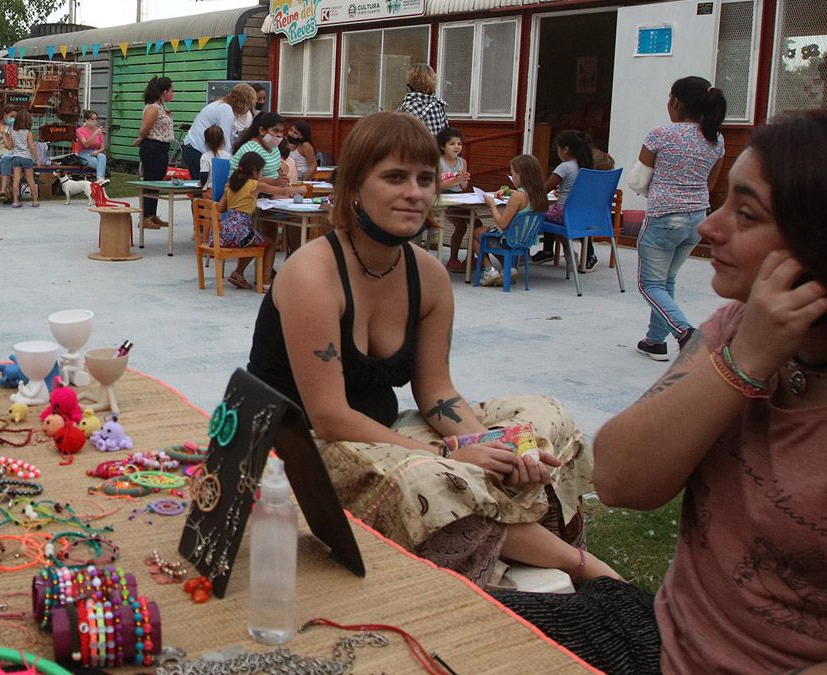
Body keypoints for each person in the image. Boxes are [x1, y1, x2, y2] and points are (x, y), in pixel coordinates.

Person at [495, 110, 827, 675]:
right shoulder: (734, 330)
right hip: (662, 637)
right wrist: (744, 361)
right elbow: (620, 479)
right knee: (433, 628)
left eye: (745, 214)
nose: (708, 227)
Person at [247, 111, 617, 590]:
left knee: (545, 416)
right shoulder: (312, 275)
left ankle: (536, 539)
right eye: (395, 177)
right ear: (355, 186)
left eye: (425, 179)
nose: (415, 192)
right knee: (430, 480)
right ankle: (585, 569)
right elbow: (329, 416)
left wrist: (490, 446)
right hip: (297, 449)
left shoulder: (428, 276)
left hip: (379, 434)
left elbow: (436, 391)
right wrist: (453, 455)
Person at [634, 76, 726, 362]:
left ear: (675, 102)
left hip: (663, 216)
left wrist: (655, 191)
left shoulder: (661, 134)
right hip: (697, 218)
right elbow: (711, 184)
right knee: (667, 279)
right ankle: (654, 341)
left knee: (649, 285)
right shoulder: (716, 138)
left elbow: (638, 180)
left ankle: (685, 332)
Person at [218, 151, 301, 291]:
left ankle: (238, 273)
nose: (262, 174)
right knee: (268, 243)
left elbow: (220, 208)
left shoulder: (231, 185)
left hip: (224, 233)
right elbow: (282, 192)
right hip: (240, 233)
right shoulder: (255, 185)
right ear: (255, 171)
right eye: (262, 171)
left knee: (256, 240)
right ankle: (265, 282)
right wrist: (302, 189)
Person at [474, 154, 549, 287]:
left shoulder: (518, 197)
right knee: (487, 234)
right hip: (525, 241)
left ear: (521, 175)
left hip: (508, 240)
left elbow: (502, 224)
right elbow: (521, 194)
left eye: (513, 173)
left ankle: (489, 270)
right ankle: (508, 269)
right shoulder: (539, 194)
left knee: (475, 234)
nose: (512, 176)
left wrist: (492, 205)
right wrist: (507, 191)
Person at [535, 130, 596, 271]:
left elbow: (544, 189)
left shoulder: (565, 167)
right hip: (581, 215)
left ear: (565, 149)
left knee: (535, 212)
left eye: (558, 147)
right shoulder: (585, 167)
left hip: (563, 215)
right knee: (553, 213)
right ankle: (567, 253)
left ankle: (529, 253)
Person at [182, 84, 257, 183]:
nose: (248, 109)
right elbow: (225, 140)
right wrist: (232, 162)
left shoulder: (221, 105)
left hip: (193, 147)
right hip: (197, 149)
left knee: (201, 186)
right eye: (248, 105)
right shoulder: (226, 110)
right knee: (203, 187)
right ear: (241, 102)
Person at [133, 76, 174, 229]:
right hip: (152, 147)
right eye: (171, 90)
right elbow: (144, 128)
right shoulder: (153, 108)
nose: (172, 94)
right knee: (149, 181)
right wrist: (141, 138)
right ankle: (144, 216)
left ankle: (152, 214)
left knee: (156, 182)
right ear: (164, 92)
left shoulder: (162, 107)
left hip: (163, 147)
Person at [436, 127, 474, 273]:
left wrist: (464, 180)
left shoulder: (462, 162)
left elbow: (463, 186)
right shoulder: (437, 162)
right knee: (461, 225)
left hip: (459, 198)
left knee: (476, 222)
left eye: (459, 143)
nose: (457, 146)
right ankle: (453, 259)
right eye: (452, 144)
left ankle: (471, 258)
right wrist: (455, 180)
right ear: (442, 146)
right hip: (443, 199)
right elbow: (436, 186)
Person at [396, 64, 449, 136]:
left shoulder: (406, 108)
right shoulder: (439, 106)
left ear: (410, 84)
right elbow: (445, 133)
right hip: (436, 146)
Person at [4, 110, 42, 208]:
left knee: (16, 179)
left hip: (16, 157)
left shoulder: (13, 132)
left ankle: (15, 201)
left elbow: (9, 146)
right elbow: (32, 147)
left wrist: (4, 135)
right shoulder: (28, 133)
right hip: (26, 158)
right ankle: (35, 200)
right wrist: (37, 159)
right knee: (30, 179)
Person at [74, 109, 109, 184]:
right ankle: (100, 180)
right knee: (100, 165)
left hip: (95, 153)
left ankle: (99, 180)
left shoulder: (98, 130)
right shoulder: (80, 131)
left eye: (96, 119)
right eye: (92, 119)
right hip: (84, 154)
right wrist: (95, 134)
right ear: (86, 120)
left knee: (102, 156)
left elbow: (102, 147)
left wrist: (97, 152)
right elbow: (86, 144)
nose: (95, 121)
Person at [197, 124, 231, 190]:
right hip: (226, 190)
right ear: (222, 140)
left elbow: (204, 175)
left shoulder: (205, 156)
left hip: (210, 191)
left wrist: (201, 183)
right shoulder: (229, 156)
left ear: (206, 142)